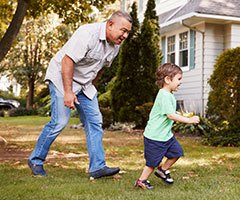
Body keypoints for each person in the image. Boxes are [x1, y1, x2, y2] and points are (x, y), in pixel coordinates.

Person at [28, 11, 132, 179]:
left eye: (128, 32)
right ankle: (36, 160)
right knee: (60, 121)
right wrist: (68, 92)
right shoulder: (87, 34)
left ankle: (97, 167)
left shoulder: (115, 46)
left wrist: (92, 86)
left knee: (95, 121)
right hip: (62, 77)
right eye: (123, 30)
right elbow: (67, 61)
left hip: (85, 84)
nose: (125, 35)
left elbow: (102, 68)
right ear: (110, 24)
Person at [134, 63, 200, 189]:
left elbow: (171, 113)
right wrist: (188, 120)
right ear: (168, 80)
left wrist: (182, 115)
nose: (180, 82)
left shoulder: (168, 95)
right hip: (155, 137)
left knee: (177, 153)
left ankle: (162, 170)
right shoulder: (163, 95)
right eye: (179, 79)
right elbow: (170, 115)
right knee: (152, 163)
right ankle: (142, 180)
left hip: (166, 136)